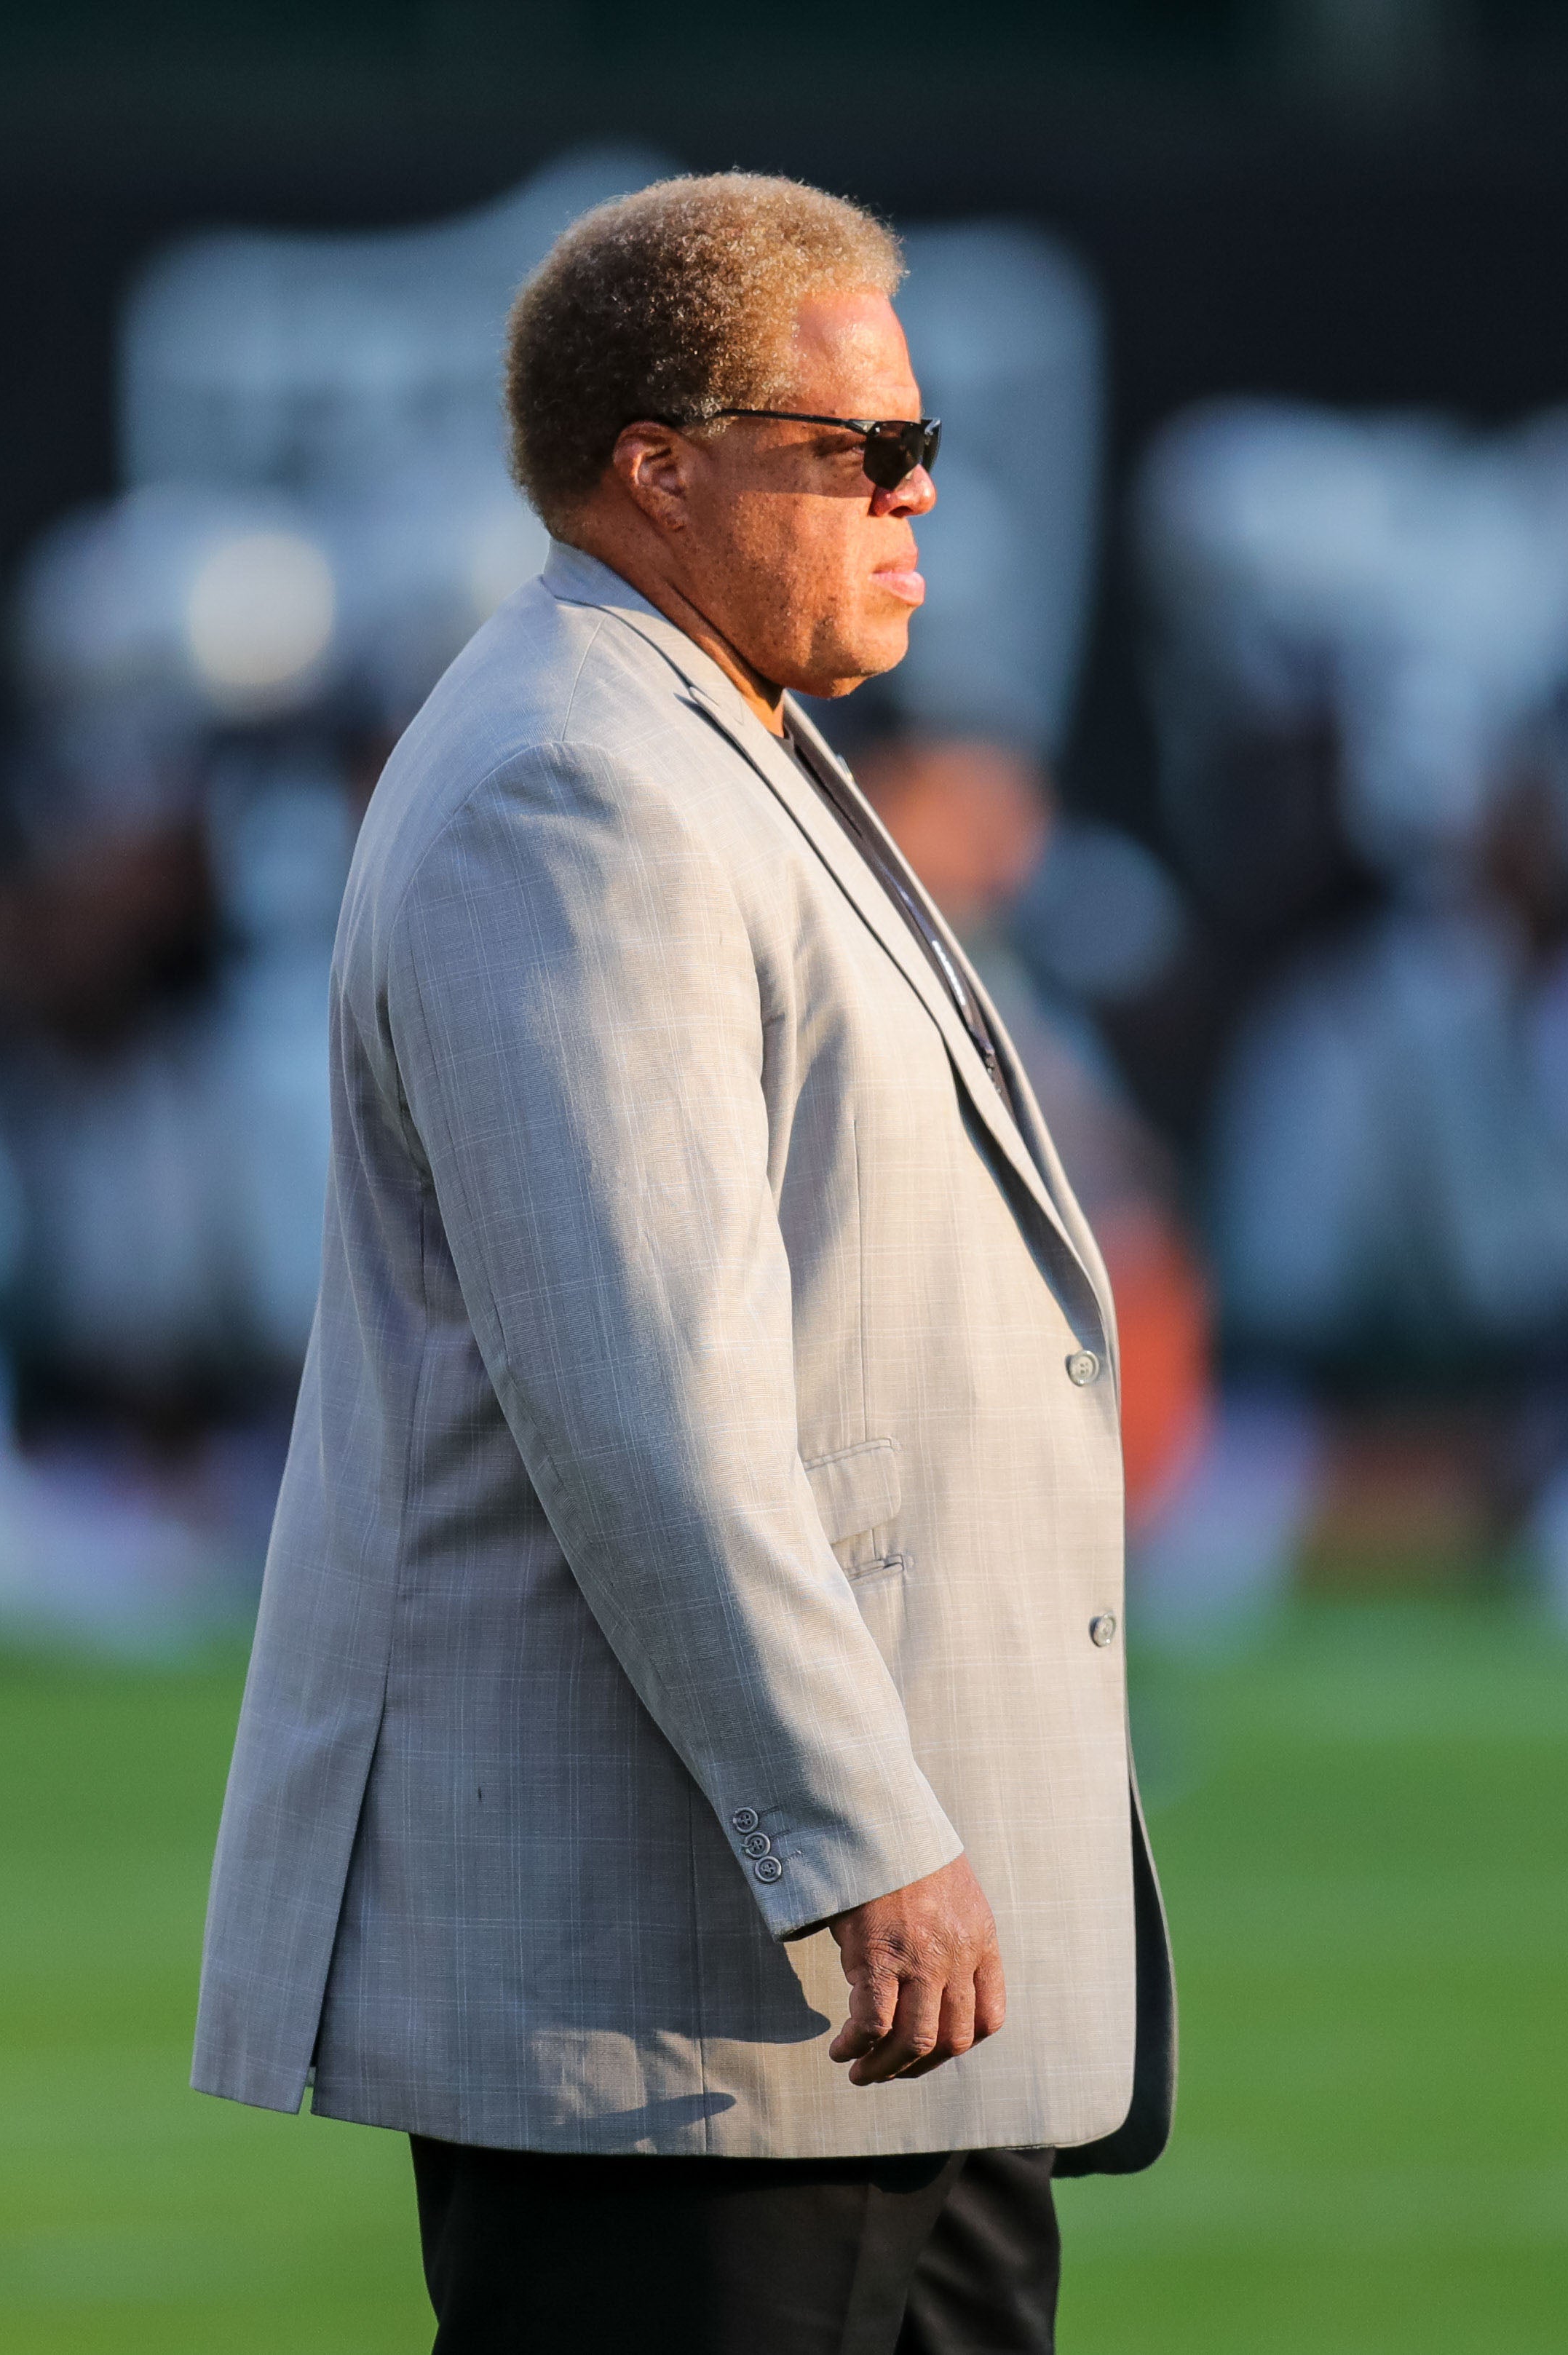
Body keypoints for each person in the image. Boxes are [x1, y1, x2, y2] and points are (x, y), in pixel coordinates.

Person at [190, 173, 1171, 2354]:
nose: (925, 499)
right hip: (700, 2002)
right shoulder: (578, 780)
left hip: (857, 2002)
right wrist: (853, 1832)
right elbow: (642, 1393)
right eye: (866, 453)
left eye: (929, 446)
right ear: (661, 466)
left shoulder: (711, 726)